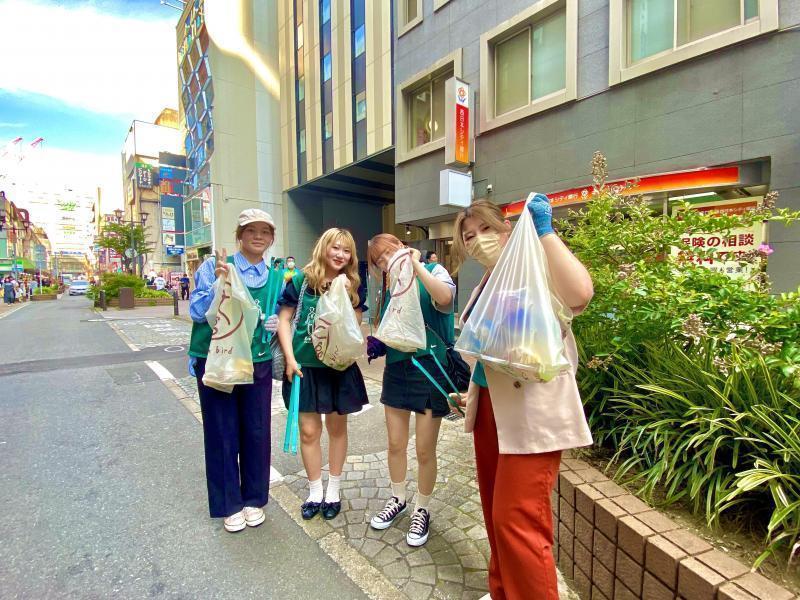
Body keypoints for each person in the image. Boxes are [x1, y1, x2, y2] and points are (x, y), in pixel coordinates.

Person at [449, 196, 594, 600]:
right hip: (491, 413)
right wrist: (470, 393)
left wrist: (545, 231)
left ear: (507, 229)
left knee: (518, 520)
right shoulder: (484, 285)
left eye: (486, 230)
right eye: (469, 236)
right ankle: (502, 592)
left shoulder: (535, 268)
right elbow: (489, 352)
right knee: (496, 517)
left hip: (533, 414)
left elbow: (580, 293)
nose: (478, 240)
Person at [187, 208, 281, 533]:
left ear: (271, 239)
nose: (258, 236)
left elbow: (276, 318)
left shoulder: (276, 276)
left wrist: (274, 324)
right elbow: (197, 312)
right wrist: (218, 285)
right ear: (239, 235)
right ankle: (229, 504)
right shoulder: (214, 265)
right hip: (218, 359)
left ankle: (255, 498)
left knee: (256, 430)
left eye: (264, 231)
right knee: (221, 431)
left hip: (257, 359)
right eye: (250, 230)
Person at [366, 233, 456, 547]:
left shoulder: (434, 271)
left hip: (429, 371)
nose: (385, 260)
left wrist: (417, 265)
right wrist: (378, 342)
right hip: (397, 370)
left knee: (424, 449)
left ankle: (422, 508)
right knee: (395, 443)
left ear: (403, 247)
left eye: (388, 252)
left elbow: (444, 299)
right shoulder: (390, 288)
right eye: (378, 260)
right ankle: (398, 497)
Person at [276, 229, 369, 521]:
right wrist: (290, 360)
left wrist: (342, 295)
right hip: (304, 367)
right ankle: (315, 490)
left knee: (337, 429)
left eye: (346, 251)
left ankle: (334, 489)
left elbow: (354, 326)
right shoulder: (302, 280)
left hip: (338, 368)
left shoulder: (353, 283)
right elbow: (284, 318)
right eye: (336, 248)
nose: (340, 255)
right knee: (308, 431)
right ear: (324, 248)